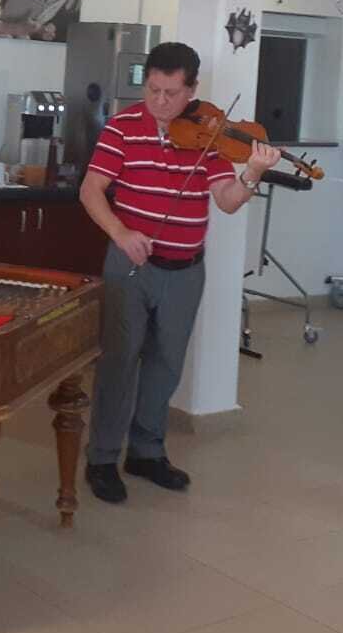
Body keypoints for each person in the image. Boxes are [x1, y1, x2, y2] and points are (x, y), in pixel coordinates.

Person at [76, 42, 280, 503]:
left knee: (166, 363)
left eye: (171, 93)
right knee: (119, 362)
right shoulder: (123, 127)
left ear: (192, 90)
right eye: (153, 90)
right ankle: (102, 457)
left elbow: (227, 201)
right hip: (131, 265)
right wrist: (121, 233)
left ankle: (146, 452)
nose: (161, 101)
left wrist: (252, 173)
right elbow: (91, 190)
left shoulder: (209, 133)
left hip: (186, 270)